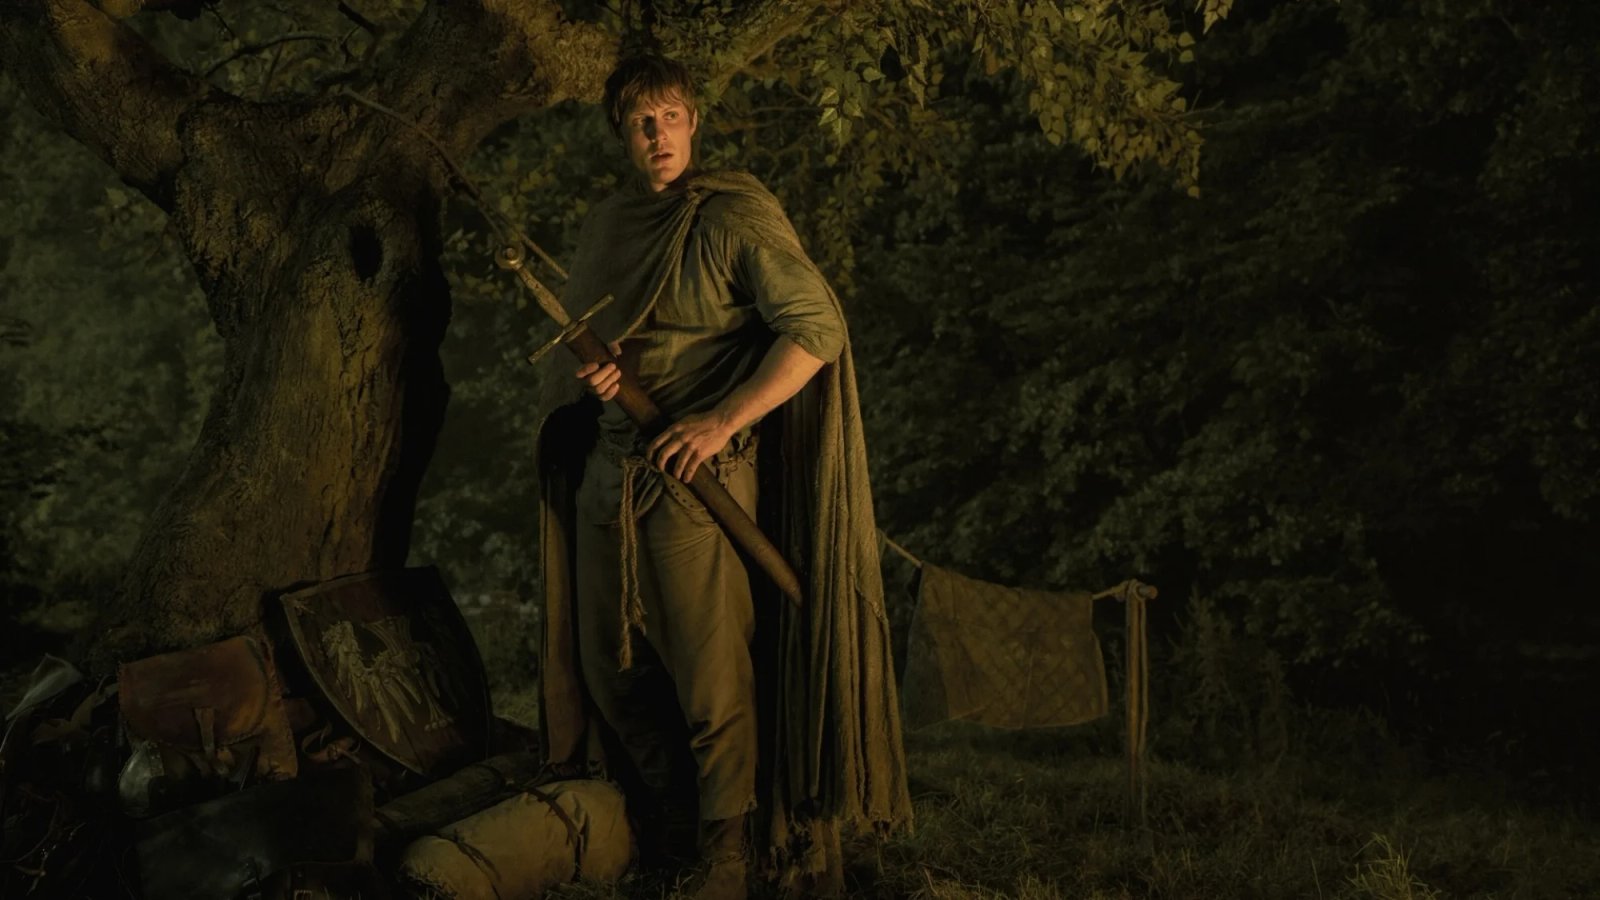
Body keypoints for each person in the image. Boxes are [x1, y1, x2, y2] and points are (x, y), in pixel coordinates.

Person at [533, 54, 911, 899]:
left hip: (698, 485)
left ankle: (729, 856)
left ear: (694, 121)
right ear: (621, 134)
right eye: (641, 122)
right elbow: (580, 353)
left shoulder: (731, 217)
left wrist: (723, 419)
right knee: (613, 675)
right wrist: (596, 377)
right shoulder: (608, 226)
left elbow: (818, 328)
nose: (657, 134)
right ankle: (671, 833)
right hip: (608, 477)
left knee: (713, 685)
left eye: (670, 116)